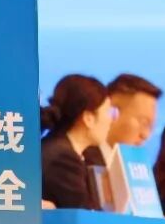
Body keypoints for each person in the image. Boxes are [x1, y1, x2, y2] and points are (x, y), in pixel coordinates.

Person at [40, 74, 116, 209]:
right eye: (108, 112)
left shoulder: (61, 149)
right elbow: (85, 215)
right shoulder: (64, 159)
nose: (111, 120)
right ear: (88, 118)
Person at [104, 73, 163, 160]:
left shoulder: (131, 166)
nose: (145, 135)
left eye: (150, 127)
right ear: (112, 113)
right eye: (144, 123)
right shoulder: (85, 163)